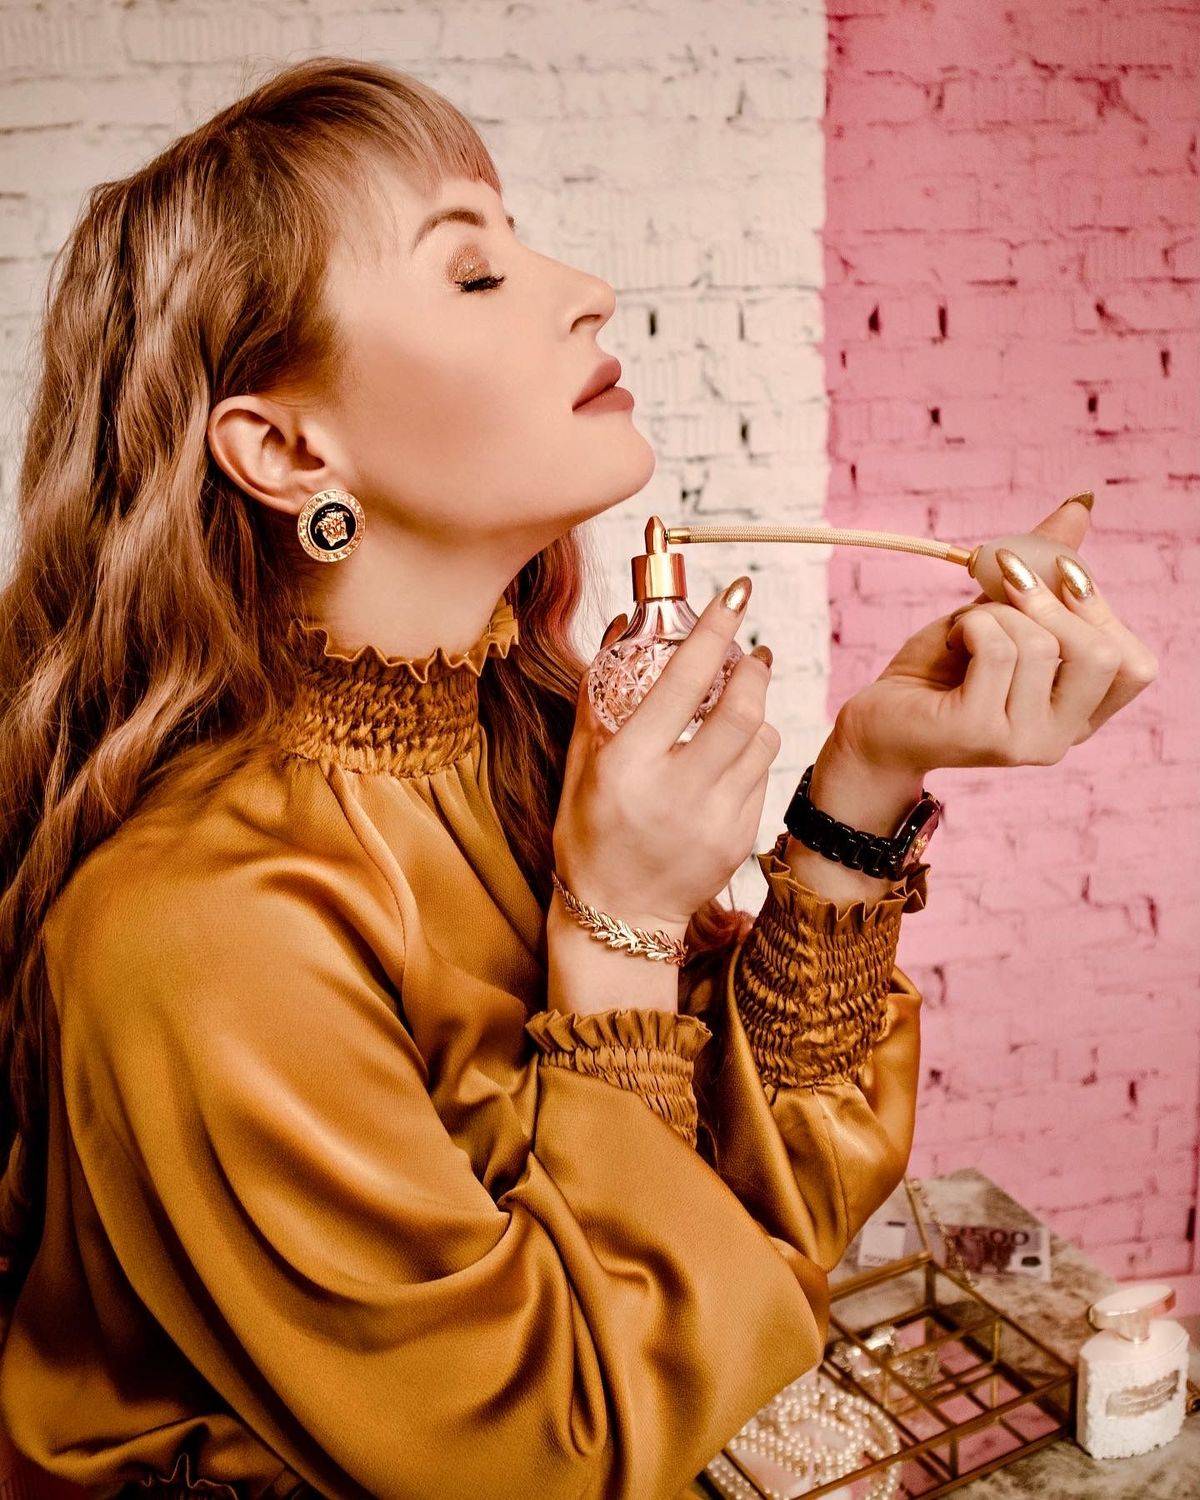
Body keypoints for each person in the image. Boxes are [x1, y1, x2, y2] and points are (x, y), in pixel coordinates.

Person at [0, 56, 1156, 1500]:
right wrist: (615, 934)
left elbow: (752, 1226)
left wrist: (866, 784)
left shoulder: (523, 739)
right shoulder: (194, 935)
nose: (590, 291)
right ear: (287, 449)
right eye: (472, 274)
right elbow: (558, 1456)